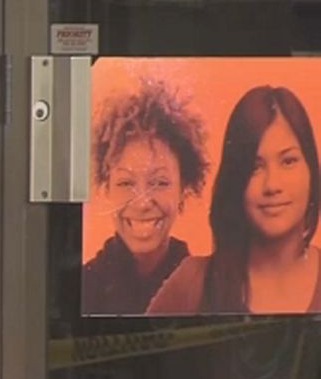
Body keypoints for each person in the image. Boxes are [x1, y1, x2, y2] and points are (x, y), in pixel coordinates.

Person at [148, 85, 321, 314]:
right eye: (255, 167)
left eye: (288, 161)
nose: (272, 185)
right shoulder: (193, 283)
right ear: (234, 180)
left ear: (311, 170)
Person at [83, 79, 210, 314]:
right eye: (126, 183)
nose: (142, 203)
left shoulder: (207, 289)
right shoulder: (81, 289)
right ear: (106, 188)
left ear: (183, 189)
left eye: (159, 182)